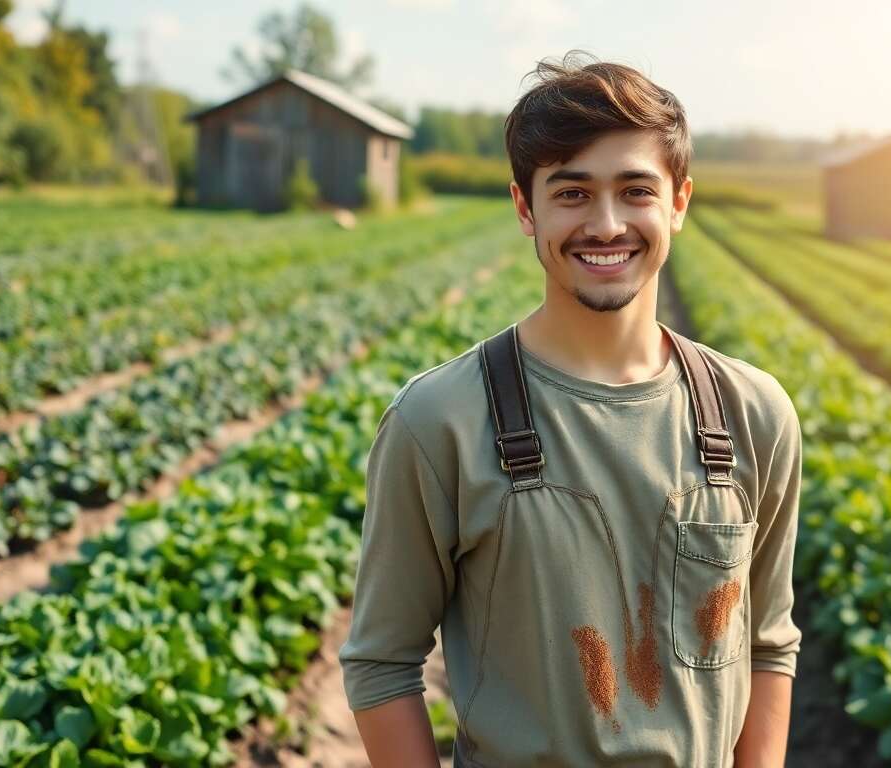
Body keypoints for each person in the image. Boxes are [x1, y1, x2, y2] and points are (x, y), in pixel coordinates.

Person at [340, 50, 803, 767]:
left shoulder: (753, 414)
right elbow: (381, 663)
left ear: (679, 202)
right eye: (573, 192)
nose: (607, 224)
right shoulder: (439, 421)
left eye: (636, 191)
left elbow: (769, 643)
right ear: (527, 207)